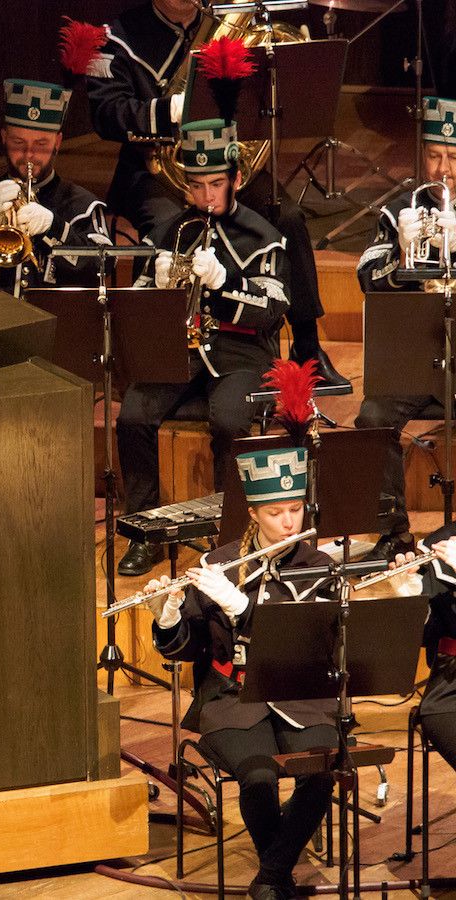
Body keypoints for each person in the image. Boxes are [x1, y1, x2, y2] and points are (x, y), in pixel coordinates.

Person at [84, 0, 348, 388]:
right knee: (166, 228)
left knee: (288, 216)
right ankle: (154, 355)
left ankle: (307, 346)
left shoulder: (223, 22)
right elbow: (106, 113)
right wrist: (169, 110)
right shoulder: (116, 38)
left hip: (221, 167)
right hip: (155, 170)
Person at [143, 447, 336, 900]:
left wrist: (242, 607)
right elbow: (190, 649)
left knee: (321, 772)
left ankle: (271, 876)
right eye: (276, 512)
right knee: (258, 777)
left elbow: (305, 645)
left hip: (298, 694)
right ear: (253, 513)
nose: (289, 522)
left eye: (295, 509)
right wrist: (167, 618)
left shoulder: (319, 568)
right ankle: (277, 874)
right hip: (232, 697)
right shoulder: (218, 564)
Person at [117, 119, 289, 576]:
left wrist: (226, 281)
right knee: (132, 415)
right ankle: (143, 533)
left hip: (240, 354)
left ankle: (229, 534)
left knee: (229, 420)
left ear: (236, 179)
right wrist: (155, 291)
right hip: (179, 350)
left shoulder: (263, 236)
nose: (207, 196)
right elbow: (135, 308)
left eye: (216, 184)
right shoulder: (168, 232)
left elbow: (272, 311)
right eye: (197, 185)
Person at [355, 94, 456, 560]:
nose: (443, 170)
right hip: (418, 358)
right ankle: (392, 533)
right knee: (373, 416)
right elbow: (365, 277)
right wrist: (401, 254)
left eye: (453, 157)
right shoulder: (401, 209)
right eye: (434, 156)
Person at [0, 78, 111, 296]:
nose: (29, 155)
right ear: (4, 138)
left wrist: (53, 227)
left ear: (57, 142)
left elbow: (103, 268)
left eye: (41, 144)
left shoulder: (83, 205)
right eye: (18, 142)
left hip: (54, 317)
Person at [387, 523, 456, 776]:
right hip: (450, 686)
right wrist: (412, 597)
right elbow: (432, 633)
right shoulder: (441, 544)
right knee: (439, 718)